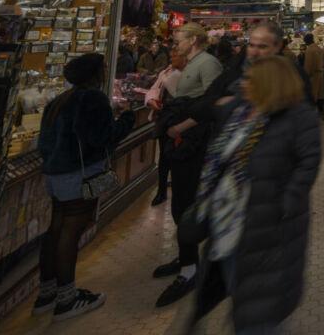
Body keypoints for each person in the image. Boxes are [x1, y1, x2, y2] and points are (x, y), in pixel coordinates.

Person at [186, 56, 322, 334]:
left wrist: (285, 203)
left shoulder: (297, 117)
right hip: (228, 225)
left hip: (267, 228)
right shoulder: (241, 112)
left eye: (250, 80)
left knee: (258, 309)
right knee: (242, 293)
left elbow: (309, 163)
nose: (243, 84)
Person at [34, 54, 135, 320]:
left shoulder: (58, 102)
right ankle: (67, 300)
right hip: (79, 175)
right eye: (102, 68)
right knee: (71, 232)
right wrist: (127, 120)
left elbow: (43, 144)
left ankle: (46, 294)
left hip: (55, 176)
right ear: (95, 74)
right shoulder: (93, 98)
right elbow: (102, 138)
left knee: (55, 230)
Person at [152, 23, 225, 307]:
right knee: (180, 202)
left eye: (178, 39)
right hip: (184, 142)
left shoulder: (208, 64)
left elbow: (212, 104)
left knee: (186, 203)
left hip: (195, 143)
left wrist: (181, 126)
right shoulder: (193, 63)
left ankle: (190, 268)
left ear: (193, 40)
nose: (174, 44)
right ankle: (186, 256)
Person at [146, 48, 185, 206]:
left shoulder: (191, 74)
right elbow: (154, 90)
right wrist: (151, 100)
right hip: (164, 117)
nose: (172, 57)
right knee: (164, 157)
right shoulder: (166, 72)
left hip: (181, 119)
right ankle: (161, 190)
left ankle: (178, 191)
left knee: (178, 156)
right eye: (171, 54)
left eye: (175, 55)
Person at [303, 33, 324, 122]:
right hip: (320, 74)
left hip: (313, 76)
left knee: (312, 96)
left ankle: (310, 116)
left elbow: (308, 66)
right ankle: (322, 113)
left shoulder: (309, 50)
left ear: (306, 41)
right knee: (320, 95)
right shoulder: (318, 48)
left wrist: (305, 76)